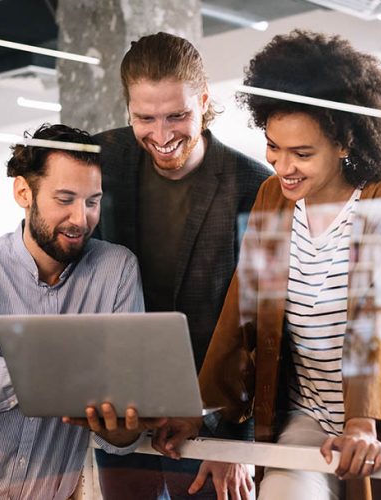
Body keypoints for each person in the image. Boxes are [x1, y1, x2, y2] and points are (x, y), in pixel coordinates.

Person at [153, 30, 381, 500]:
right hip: (307, 414)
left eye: (303, 153)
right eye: (274, 146)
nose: (282, 166)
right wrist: (199, 410)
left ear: (345, 143)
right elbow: (244, 308)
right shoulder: (274, 197)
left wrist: (361, 422)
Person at [94, 32, 271, 499]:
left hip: (215, 426)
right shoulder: (100, 160)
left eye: (178, 115)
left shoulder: (254, 186)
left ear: (205, 100)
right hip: (124, 419)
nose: (163, 134)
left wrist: (237, 442)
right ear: (128, 108)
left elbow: (264, 325)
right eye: (144, 118)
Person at [0, 124, 162, 499]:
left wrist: (122, 425)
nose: (81, 218)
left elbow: (119, 437)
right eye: (65, 198)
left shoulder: (117, 271)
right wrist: (66, 372)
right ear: (23, 192)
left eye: (92, 201)